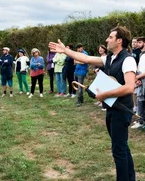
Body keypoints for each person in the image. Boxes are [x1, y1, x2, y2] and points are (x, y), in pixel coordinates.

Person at [49, 25, 136, 181]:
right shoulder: (109, 58)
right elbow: (86, 59)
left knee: (119, 149)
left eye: (110, 37)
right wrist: (65, 50)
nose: (106, 40)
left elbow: (129, 87)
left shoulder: (128, 60)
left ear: (119, 41)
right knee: (121, 146)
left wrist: (104, 94)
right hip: (112, 107)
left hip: (121, 109)